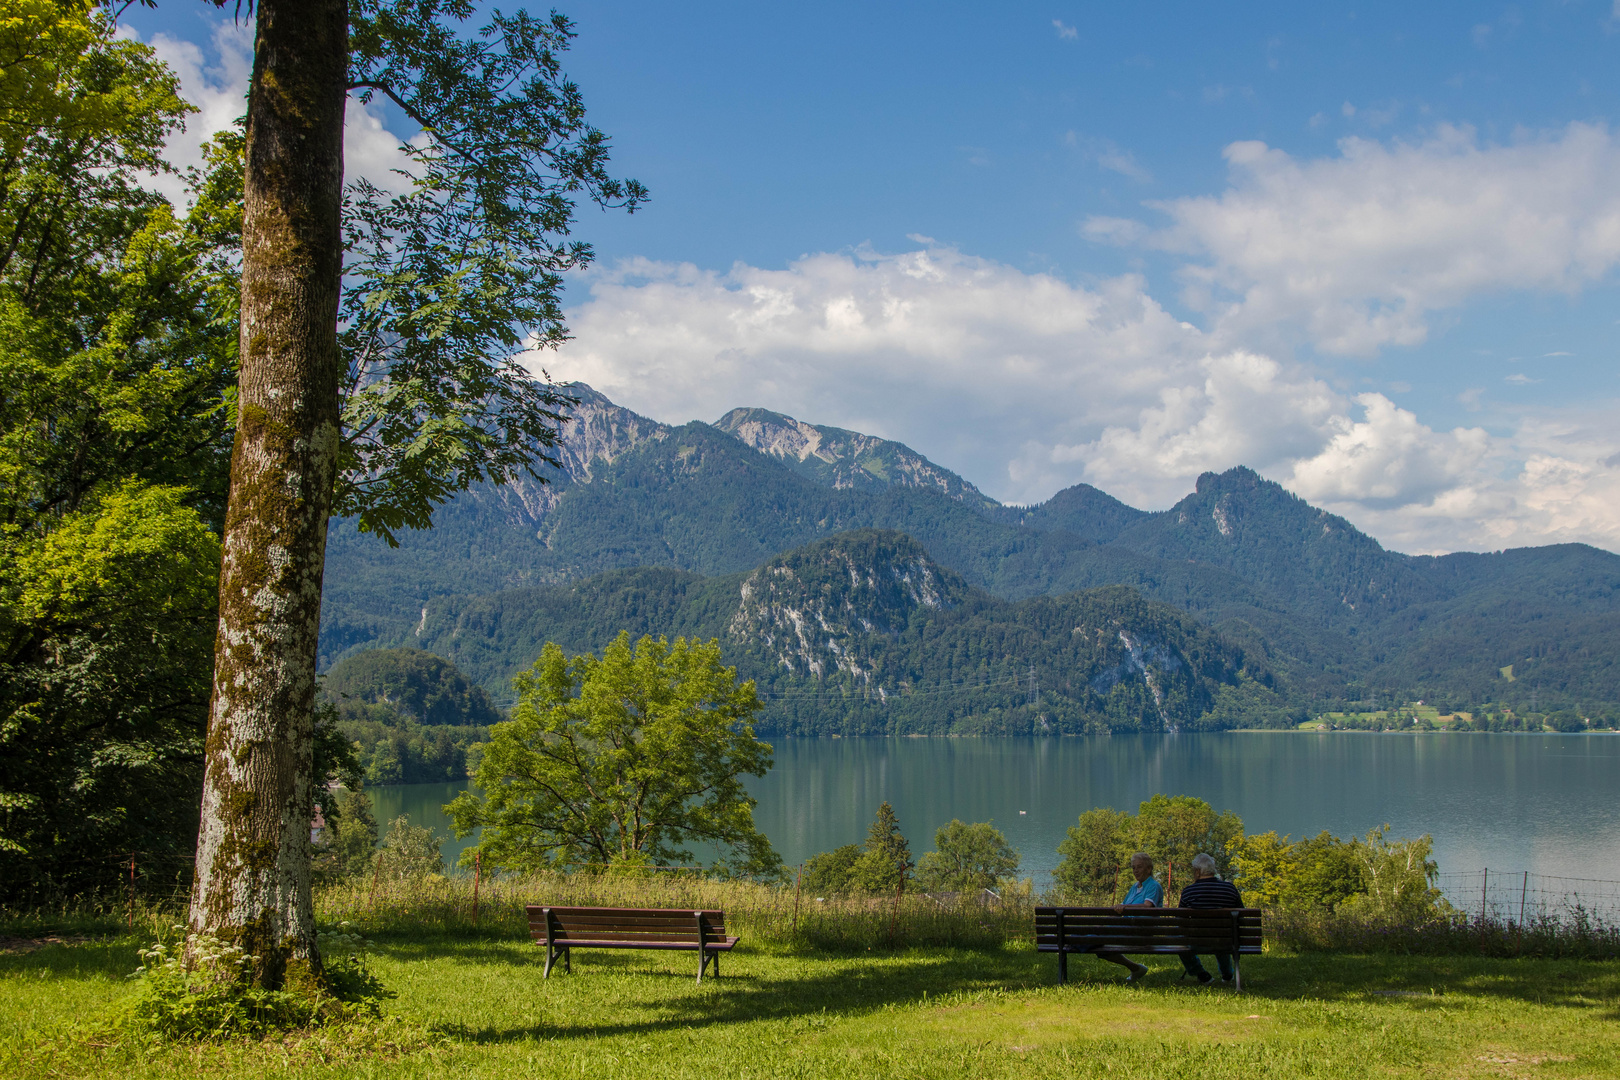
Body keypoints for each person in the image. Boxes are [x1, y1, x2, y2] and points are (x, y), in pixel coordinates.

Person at [1177, 852, 1243, 984]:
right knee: (1221, 933)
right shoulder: (1230, 889)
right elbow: (1241, 915)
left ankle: (1201, 974)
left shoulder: (1188, 892)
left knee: (1178, 940)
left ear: (1197, 872)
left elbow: (1181, 921)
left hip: (1197, 942)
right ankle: (1227, 974)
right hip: (1225, 941)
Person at [1099, 851, 1162, 983]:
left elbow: (1148, 906)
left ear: (1149, 869)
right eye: (1133, 867)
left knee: (1098, 939)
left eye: (1139, 867)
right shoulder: (1135, 887)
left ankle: (1078, 943)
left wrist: (1125, 908)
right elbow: (1123, 905)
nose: (1135, 870)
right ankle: (1136, 968)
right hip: (1128, 928)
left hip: (1141, 931)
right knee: (1100, 945)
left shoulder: (1153, 886)